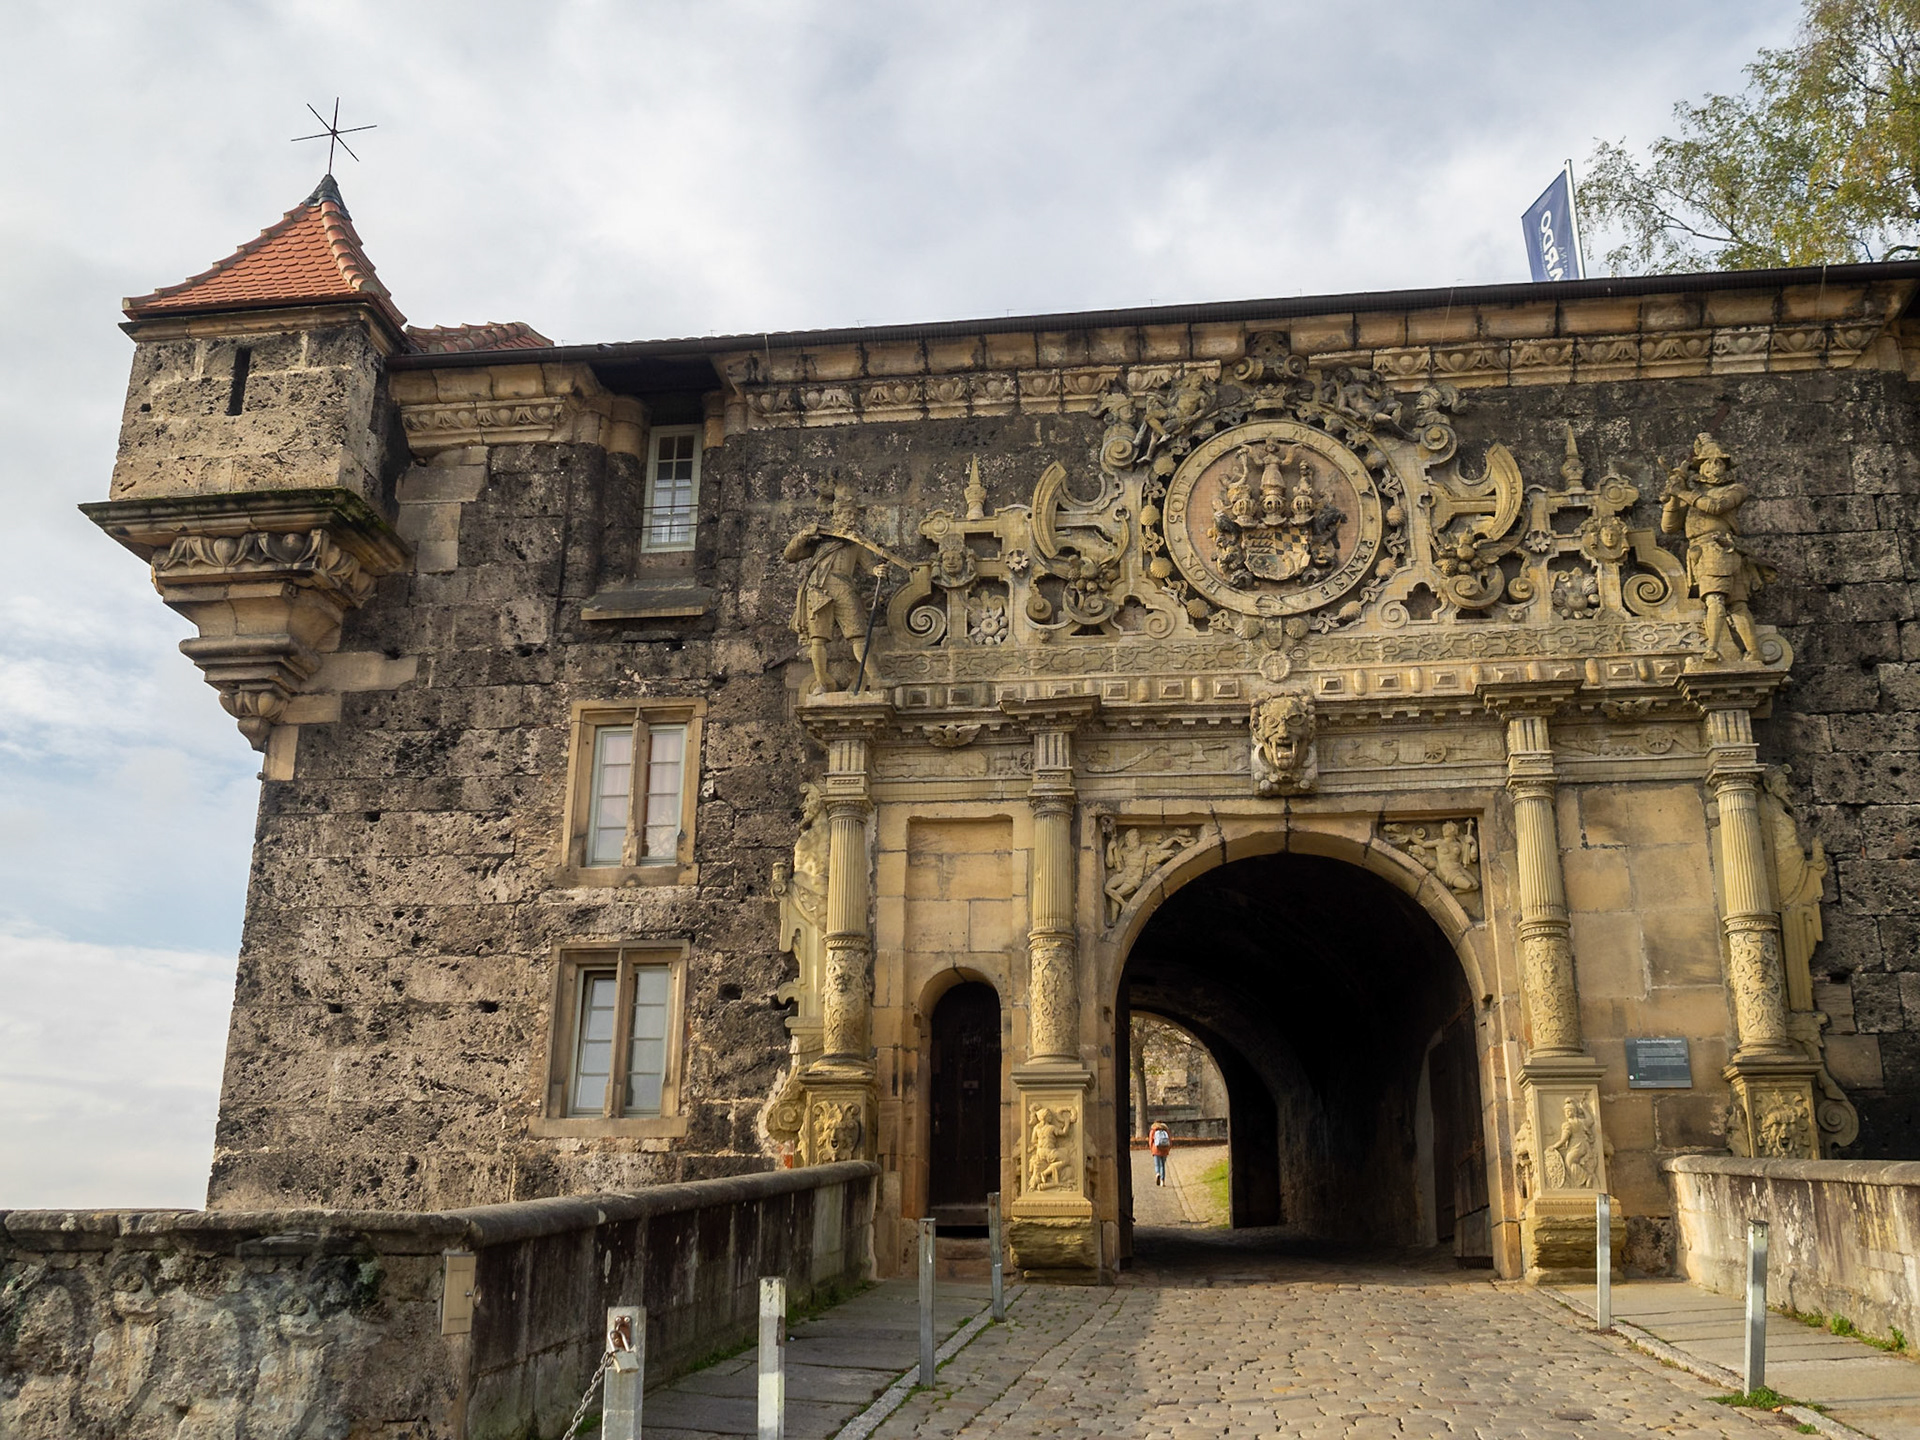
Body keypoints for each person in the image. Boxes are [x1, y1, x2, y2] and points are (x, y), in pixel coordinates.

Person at [1149, 1121, 1172, 1187]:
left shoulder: (1153, 1130)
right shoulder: (1166, 1130)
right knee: (1162, 1165)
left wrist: (1152, 1149)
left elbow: (1151, 1141)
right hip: (1164, 1150)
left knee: (1157, 1165)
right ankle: (1162, 1181)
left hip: (1156, 1149)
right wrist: (1168, 1149)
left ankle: (1157, 1173)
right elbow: (1169, 1140)